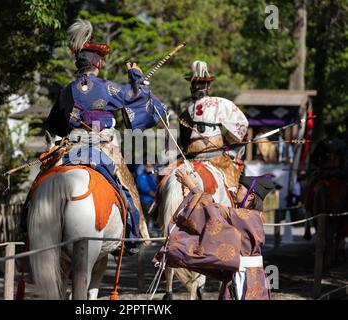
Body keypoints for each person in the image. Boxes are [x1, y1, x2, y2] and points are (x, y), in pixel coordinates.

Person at [42, 19, 168, 250]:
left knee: (43, 181)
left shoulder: (66, 89)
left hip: (72, 147)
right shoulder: (109, 88)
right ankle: (133, 234)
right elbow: (138, 97)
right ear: (97, 63)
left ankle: (27, 221)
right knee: (128, 188)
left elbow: (53, 125)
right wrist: (136, 77)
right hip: (103, 149)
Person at [155, 170, 275, 300]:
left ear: (251, 196)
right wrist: (194, 193)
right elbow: (214, 210)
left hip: (246, 278)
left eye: (240, 188)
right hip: (243, 275)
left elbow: (212, 209)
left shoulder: (248, 216)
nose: (234, 190)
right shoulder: (245, 215)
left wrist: (193, 187)